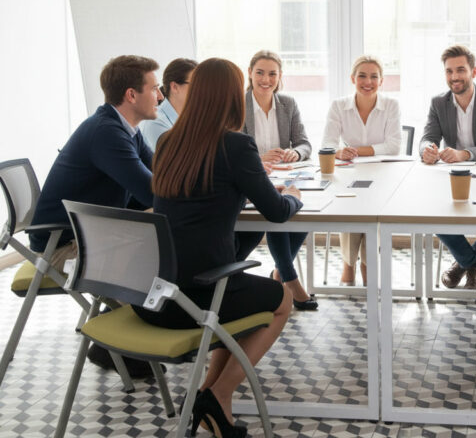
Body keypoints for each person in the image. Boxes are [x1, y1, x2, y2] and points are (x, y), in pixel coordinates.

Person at [137, 57, 300, 437]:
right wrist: (292, 196)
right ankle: (220, 392)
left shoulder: (167, 140)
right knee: (280, 301)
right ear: (230, 98)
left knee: (240, 299)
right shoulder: (236, 145)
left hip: (153, 295)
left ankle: (209, 394)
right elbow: (276, 213)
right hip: (196, 296)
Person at [28, 55, 161, 377]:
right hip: (63, 245)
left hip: (88, 232)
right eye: (155, 88)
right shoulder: (107, 133)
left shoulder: (124, 128)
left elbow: (161, 174)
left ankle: (115, 341)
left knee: (162, 237)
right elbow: (151, 193)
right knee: (163, 247)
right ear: (132, 95)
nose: (160, 96)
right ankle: (121, 341)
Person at [419, 45, 476, 290]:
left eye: (460, 70)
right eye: (449, 71)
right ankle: (474, 266)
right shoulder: (438, 102)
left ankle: (464, 264)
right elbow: (428, 136)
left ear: (474, 71)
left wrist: (465, 154)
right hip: (452, 178)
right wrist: (427, 150)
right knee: (430, 212)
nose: (454, 76)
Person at [242, 50, 315, 310]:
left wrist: (295, 152)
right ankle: (292, 282)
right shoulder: (237, 104)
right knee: (277, 214)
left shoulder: (288, 104)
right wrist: (259, 159)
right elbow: (232, 149)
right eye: (260, 72)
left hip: (286, 175)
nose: (266, 79)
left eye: (272, 73)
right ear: (249, 73)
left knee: (303, 212)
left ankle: (279, 273)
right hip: (253, 179)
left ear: (280, 76)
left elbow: (305, 143)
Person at [322, 55, 401, 286]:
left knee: (372, 209)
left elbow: (394, 147)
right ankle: (350, 263)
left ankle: (364, 264)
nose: (368, 81)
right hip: (349, 173)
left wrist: (354, 149)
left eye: (374, 76)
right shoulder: (339, 106)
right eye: (362, 76)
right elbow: (327, 143)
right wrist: (339, 152)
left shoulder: (391, 106)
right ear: (352, 78)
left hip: (383, 175)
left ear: (382, 80)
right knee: (350, 206)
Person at [139, 58, 197, 150]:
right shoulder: (155, 123)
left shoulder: (192, 118)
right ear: (174, 87)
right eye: (195, 85)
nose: (201, 91)